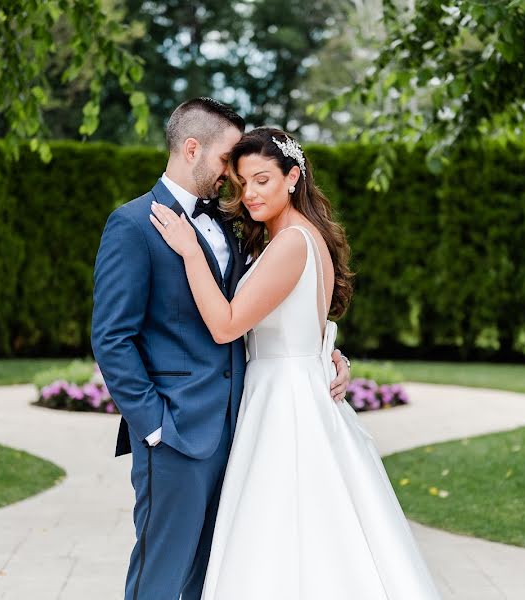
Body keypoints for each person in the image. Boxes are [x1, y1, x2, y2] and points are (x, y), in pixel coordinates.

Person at [150, 126, 442, 599]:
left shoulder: (291, 244)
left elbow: (226, 326)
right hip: (290, 386)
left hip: (285, 403)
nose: (250, 195)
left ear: (292, 177)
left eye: (263, 180)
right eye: (242, 183)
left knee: (282, 528)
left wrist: (189, 251)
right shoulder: (291, 239)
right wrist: (330, 351)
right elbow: (307, 325)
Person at [91, 99, 351, 600]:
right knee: (160, 577)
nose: (234, 176)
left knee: (214, 578)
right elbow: (111, 338)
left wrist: (327, 351)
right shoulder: (132, 225)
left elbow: (272, 308)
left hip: (243, 429)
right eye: (227, 159)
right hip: (175, 436)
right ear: (193, 148)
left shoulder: (234, 225)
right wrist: (153, 427)